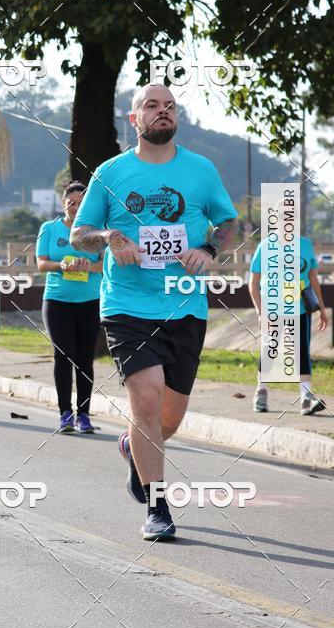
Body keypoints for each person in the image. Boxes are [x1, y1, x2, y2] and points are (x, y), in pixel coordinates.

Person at [72, 83, 238, 540]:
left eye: (170, 107)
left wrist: (209, 249)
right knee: (145, 401)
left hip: (185, 305)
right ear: (135, 119)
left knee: (168, 418)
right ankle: (157, 508)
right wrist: (108, 238)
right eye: (151, 106)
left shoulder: (201, 170)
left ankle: (133, 447)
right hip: (127, 304)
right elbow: (79, 235)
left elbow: (228, 221)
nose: (162, 112)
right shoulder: (110, 172)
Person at [36, 181, 103, 434]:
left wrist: (88, 266)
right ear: (63, 203)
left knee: (85, 359)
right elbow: (41, 263)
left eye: (81, 203)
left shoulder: (97, 231)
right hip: (57, 302)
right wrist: (61, 265)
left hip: (90, 302)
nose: (76, 207)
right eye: (71, 203)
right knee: (63, 355)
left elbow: (104, 265)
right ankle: (65, 413)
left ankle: (83, 415)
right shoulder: (49, 228)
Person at [249, 234, 328, 415]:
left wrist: (321, 309)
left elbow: (313, 279)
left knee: (302, 352)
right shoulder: (265, 246)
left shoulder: (305, 245)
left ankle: (306, 399)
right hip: (273, 308)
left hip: (299, 308)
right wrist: (261, 312)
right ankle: (261, 392)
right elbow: (253, 284)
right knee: (269, 350)